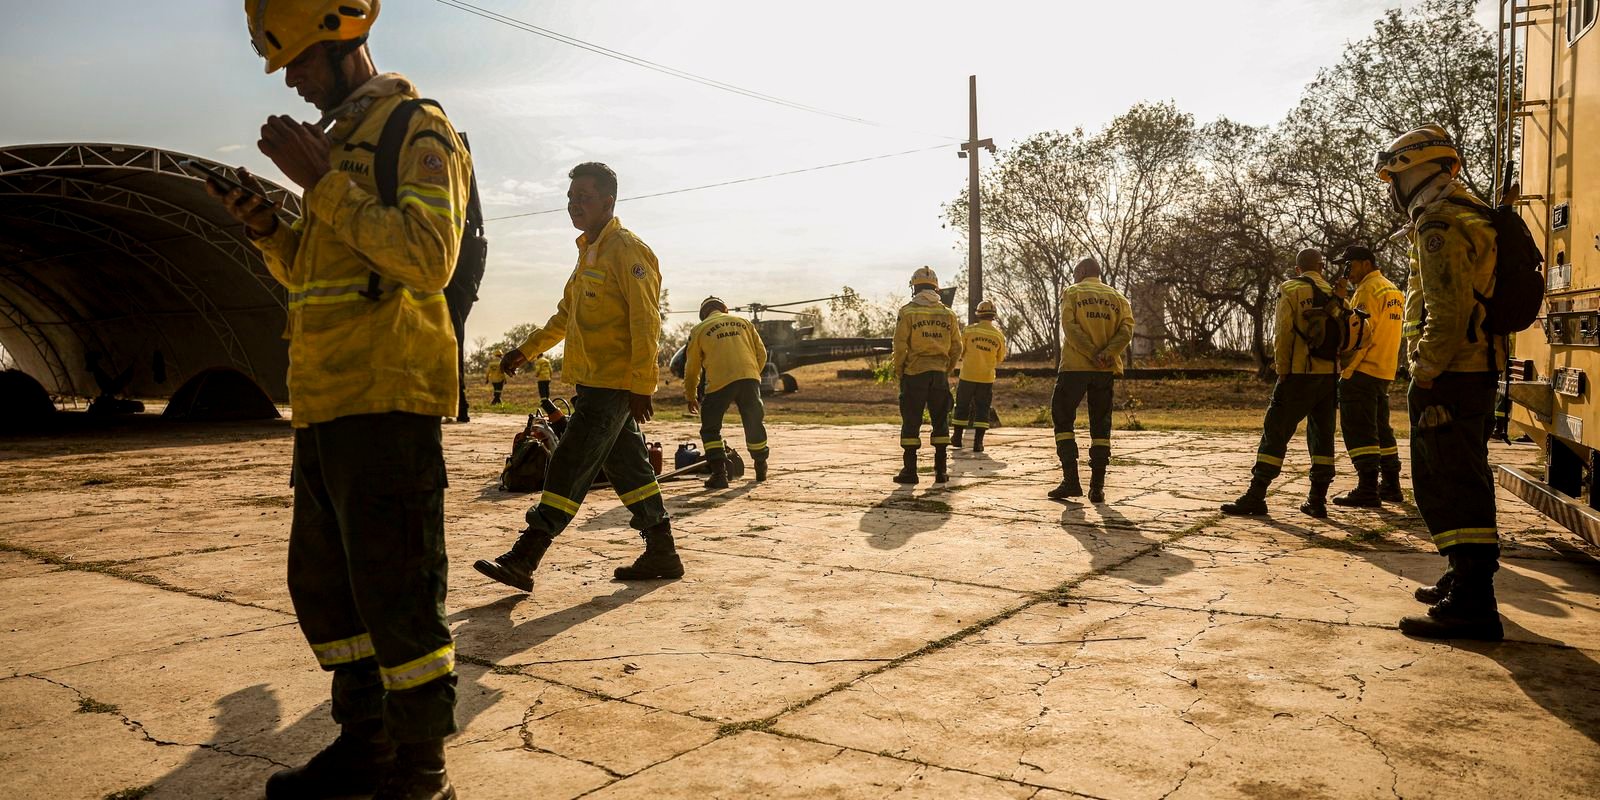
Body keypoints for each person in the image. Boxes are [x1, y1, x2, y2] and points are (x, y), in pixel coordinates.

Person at [214, 2, 468, 797]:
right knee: (328, 590)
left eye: (297, 63)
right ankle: (367, 747)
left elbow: (427, 259)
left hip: (388, 398)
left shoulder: (414, 132)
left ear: (339, 41)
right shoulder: (340, 145)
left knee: (398, 591)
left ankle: (422, 773)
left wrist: (320, 183)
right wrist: (267, 229)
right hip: (323, 402)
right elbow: (321, 275)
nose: (291, 80)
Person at [474, 162, 680, 593]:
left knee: (568, 465)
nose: (574, 205)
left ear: (608, 201)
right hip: (593, 384)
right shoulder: (588, 252)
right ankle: (662, 551)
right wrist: (525, 350)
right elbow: (564, 317)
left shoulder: (626, 250)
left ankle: (525, 557)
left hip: (613, 386)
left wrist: (643, 385)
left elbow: (647, 321)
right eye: (570, 198)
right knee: (630, 469)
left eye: (583, 197)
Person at [1377, 124, 1506, 640]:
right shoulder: (1471, 214)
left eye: (1398, 176)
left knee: (1449, 482)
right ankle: (1461, 578)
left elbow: (1447, 314)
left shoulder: (1441, 224)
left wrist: (1425, 374)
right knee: (1462, 475)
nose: (1394, 189)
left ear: (1420, 172)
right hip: (1472, 370)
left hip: (1451, 373)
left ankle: (1475, 604)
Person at [1221, 248, 1342, 518]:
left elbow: (1284, 332)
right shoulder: (1337, 293)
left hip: (1299, 373)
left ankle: (1257, 494)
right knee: (1323, 437)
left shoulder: (1290, 288)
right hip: (1329, 376)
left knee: (1275, 431)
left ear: (1298, 269)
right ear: (1321, 268)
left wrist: (1282, 368)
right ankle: (1317, 499)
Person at [1048, 259, 1133, 503]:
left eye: (1076, 272)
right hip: (1105, 370)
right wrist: (1107, 354)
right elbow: (1126, 331)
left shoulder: (1073, 292)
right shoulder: (1118, 298)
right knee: (1101, 425)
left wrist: (1090, 352)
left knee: (1062, 417)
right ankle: (1097, 487)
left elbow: (1070, 327)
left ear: (1083, 271)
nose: (1074, 277)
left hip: (1075, 366)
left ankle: (1071, 480)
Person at [1330, 245, 1405, 507]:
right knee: (1381, 429)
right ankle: (1392, 485)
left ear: (1364, 263)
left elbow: (1359, 334)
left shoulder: (1367, 290)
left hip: (1363, 369)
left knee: (1360, 430)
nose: (1346, 271)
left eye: (1349, 265)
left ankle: (1367, 487)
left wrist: (1347, 371)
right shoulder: (1392, 289)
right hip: (1384, 368)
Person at [684, 296, 770, 488]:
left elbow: (691, 369)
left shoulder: (699, 330)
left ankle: (719, 474)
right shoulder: (744, 323)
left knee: (710, 428)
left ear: (703, 314)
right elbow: (762, 354)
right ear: (725, 309)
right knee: (753, 422)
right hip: (749, 379)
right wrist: (753, 374)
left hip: (719, 383)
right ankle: (760, 465)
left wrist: (690, 396)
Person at [890, 267, 962, 485]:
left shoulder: (908, 311)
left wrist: (900, 369)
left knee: (911, 421)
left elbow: (900, 345)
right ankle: (940, 471)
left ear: (914, 288)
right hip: (939, 375)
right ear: (935, 288)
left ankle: (910, 471)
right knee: (940, 421)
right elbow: (957, 347)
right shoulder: (948, 314)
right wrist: (946, 368)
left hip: (914, 374)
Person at [951, 300, 1007, 453]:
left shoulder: (969, 331)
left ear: (978, 314)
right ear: (993, 316)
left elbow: (960, 351)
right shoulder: (999, 336)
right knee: (982, 409)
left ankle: (957, 438)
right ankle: (978, 443)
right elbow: (1000, 358)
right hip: (986, 378)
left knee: (962, 406)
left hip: (967, 376)